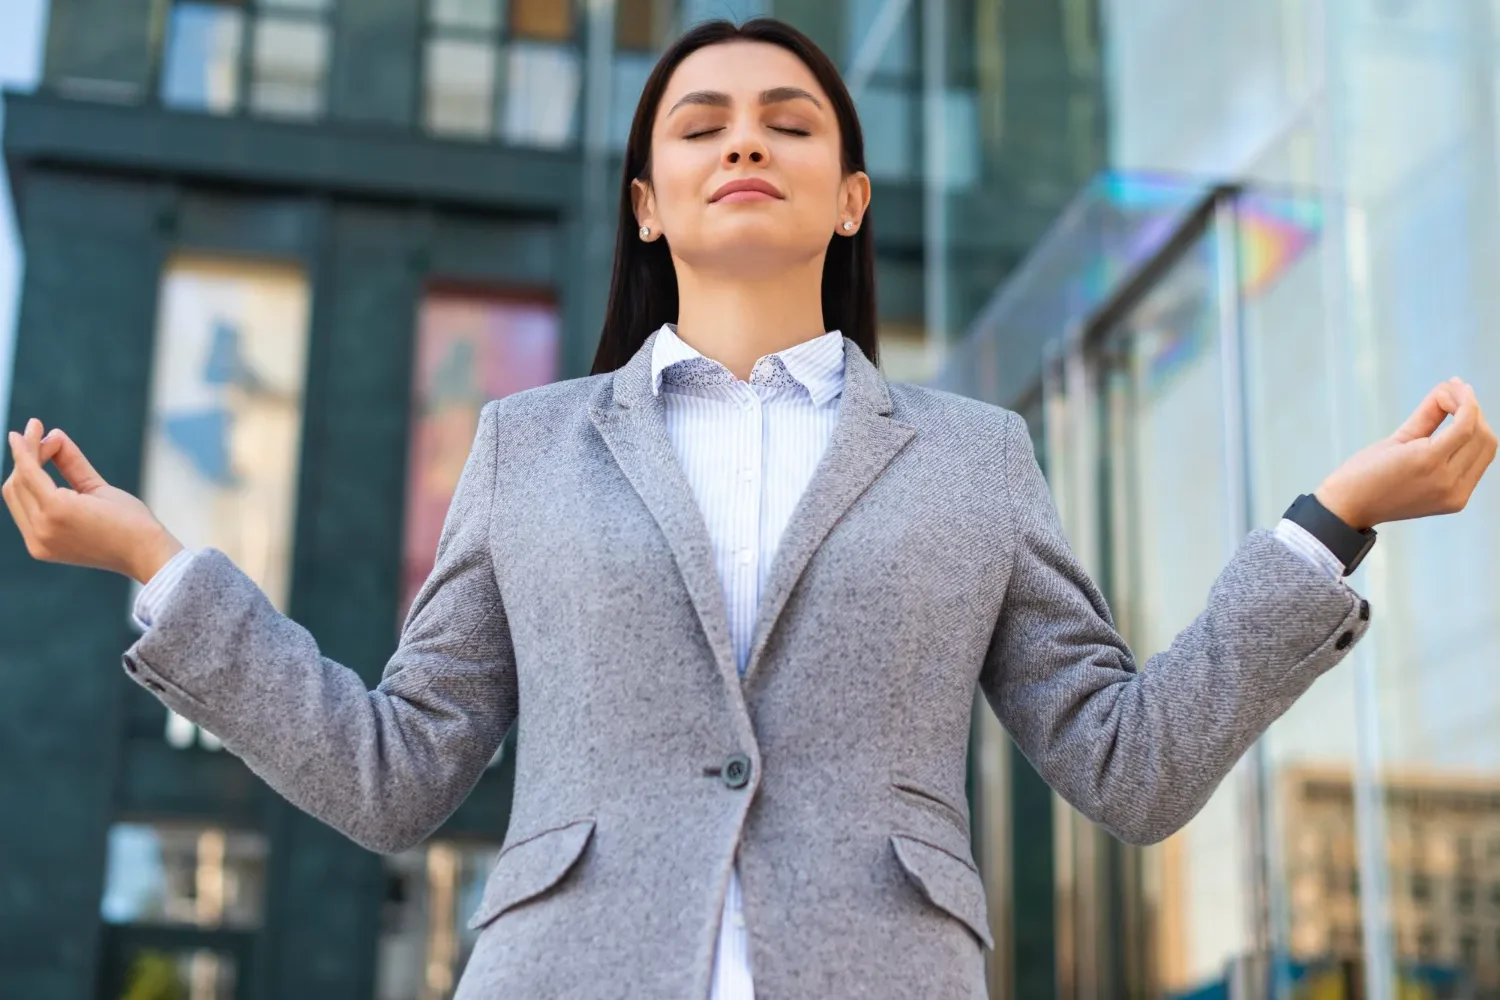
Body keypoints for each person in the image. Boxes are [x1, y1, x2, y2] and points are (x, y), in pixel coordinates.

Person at [3, 17, 1495, 1000]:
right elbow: (399, 772)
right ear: (648, 203)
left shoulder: (978, 456)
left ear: (850, 195)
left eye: (788, 121)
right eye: (701, 122)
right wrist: (155, 561)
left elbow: (1131, 767)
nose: (744, 140)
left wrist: (1330, 523)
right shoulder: (526, 444)